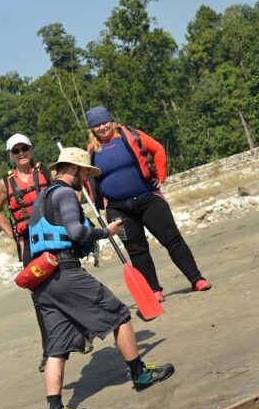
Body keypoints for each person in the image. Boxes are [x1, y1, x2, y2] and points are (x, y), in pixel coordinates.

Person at [28, 147, 176, 409]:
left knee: (56, 347)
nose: (86, 181)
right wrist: (104, 232)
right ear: (74, 170)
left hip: (43, 282)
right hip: (66, 272)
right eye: (85, 174)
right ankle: (140, 373)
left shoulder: (41, 199)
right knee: (119, 315)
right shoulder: (65, 194)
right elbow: (76, 232)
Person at [85, 106, 211, 302]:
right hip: (118, 208)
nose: (102, 127)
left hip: (149, 199)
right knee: (137, 250)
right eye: (97, 125)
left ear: (111, 120)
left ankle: (196, 279)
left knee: (172, 240)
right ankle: (154, 291)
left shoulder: (130, 135)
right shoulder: (91, 151)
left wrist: (161, 175)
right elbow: (85, 180)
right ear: (91, 129)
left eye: (104, 122)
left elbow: (158, 150)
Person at [0, 134, 57, 373]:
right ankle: (48, 350)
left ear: (31, 149)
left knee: (67, 283)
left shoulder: (47, 173)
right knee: (39, 296)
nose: (21, 153)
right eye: (15, 151)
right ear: (10, 155)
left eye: (24, 148)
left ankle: (82, 333)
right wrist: (10, 232)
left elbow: (66, 191)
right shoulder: (5, 183)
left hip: (53, 236)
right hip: (29, 243)